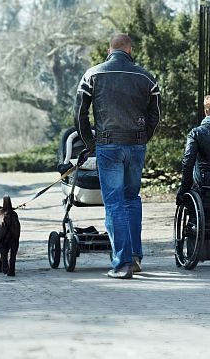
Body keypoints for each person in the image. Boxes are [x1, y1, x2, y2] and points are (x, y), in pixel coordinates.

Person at [74, 33, 161, 279]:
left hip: (108, 145)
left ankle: (121, 264)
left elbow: (80, 113)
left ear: (108, 49)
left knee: (113, 203)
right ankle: (134, 258)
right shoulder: (146, 77)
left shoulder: (93, 74)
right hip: (135, 144)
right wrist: (143, 138)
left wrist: (91, 143)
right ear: (130, 50)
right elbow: (155, 115)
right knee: (132, 199)